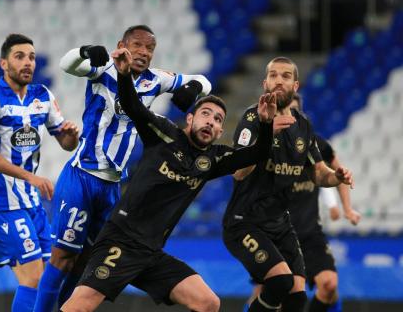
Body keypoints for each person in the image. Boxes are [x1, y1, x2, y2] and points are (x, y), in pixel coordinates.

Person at [61, 47, 287, 312]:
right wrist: (123, 76)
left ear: (220, 131)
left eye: (217, 120)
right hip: (120, 242)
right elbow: (133, 106)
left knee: (208, 303)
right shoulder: (164, 134)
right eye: (205, 114)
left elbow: (257, 153)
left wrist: (265, 123)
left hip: (151, 253)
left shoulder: (214, 160)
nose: (210, 122)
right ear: (189, 119)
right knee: (79, 307)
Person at [34, 25, 212, 311]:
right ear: (122, 45)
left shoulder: (156, 80)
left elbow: (204, 82)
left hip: (113, 186)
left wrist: (192, 89)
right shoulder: (103, 68)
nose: (143, 52)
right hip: (81, 177)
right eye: (137, 45)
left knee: (91, 259)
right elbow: (67, 64)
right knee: (63, 256)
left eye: (149, 48)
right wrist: (84, 51)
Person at [223, 57, 354, 312]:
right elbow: (238, 172)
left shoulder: (303, 126)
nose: (278, 80)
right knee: (279, 282)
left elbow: (318, 174)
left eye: (285, 76)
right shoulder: (252, 118)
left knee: (296, 298)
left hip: (281, 223)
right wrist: (266, 132)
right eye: (273, 75)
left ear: (295, 86)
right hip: (245, 222)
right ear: (265, 83)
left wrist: (337, 176)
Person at [0, 34, 80, 312]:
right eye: (19, 56)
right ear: (4, 63)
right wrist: (30, 177)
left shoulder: (42, 96)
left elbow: (65, 144)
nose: (27, 62)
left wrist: (71, 136)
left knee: (49, 278)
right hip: (3, 205)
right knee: (32, 278)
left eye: (31, 57)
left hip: (32, 203)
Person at [243, 93, 361, 312]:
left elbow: (337, 173)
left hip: (308, 235)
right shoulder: (266, 145)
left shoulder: (315, 145)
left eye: (293, 112)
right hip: (275, 235)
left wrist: (346, 208)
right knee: (265, 294)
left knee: (329, 285)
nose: (289, 118)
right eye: (283, 113)